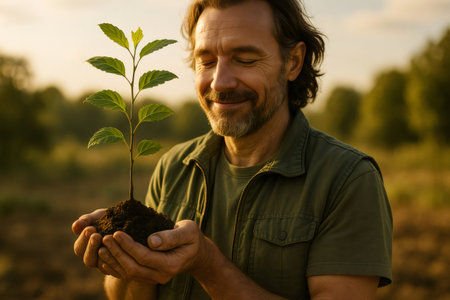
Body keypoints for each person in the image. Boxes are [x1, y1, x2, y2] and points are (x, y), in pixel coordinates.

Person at [72, 0, 393, 299]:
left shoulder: (346, 179)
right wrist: (122, 261)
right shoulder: (174, 166)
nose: (219, 81)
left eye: (245, 59)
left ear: (292, 62)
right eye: (206, 61)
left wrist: (207, 264)